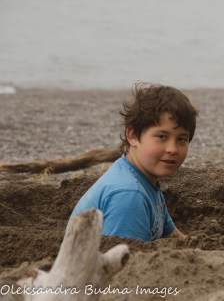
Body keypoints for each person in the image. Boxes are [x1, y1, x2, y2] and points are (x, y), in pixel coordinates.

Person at [71, 82, 198, 241]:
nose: (172, 149)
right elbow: (131, 260)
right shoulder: (130, 194)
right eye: (162, 136)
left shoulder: (144, 179)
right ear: (132, 136)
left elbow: (172, 234)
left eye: (181, 139)